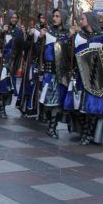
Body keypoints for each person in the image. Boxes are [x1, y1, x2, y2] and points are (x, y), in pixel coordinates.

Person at [68, 12, 103, 145]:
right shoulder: (79, 36)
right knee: (75, 107)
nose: (80, 21)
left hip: (95, 77)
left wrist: (95, 61)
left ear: (89, 20)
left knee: (91, 108)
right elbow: (70, 55)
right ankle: (83, 131)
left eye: (82, 19)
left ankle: (88, 134)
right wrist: (70, 39)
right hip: (79, 75)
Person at [35, 9, 71, 138]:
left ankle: (52, 127)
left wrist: (71, 39)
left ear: (63, 18)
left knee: (58, 102)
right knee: (47, 102)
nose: (54, 18)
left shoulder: (68, 34)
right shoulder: (47, 31)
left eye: (58, 16)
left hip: (61, 73)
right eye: (54, 16)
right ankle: (48, 120)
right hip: (49, 72)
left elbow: (70, 55)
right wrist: (40, 39)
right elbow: (37, 51)